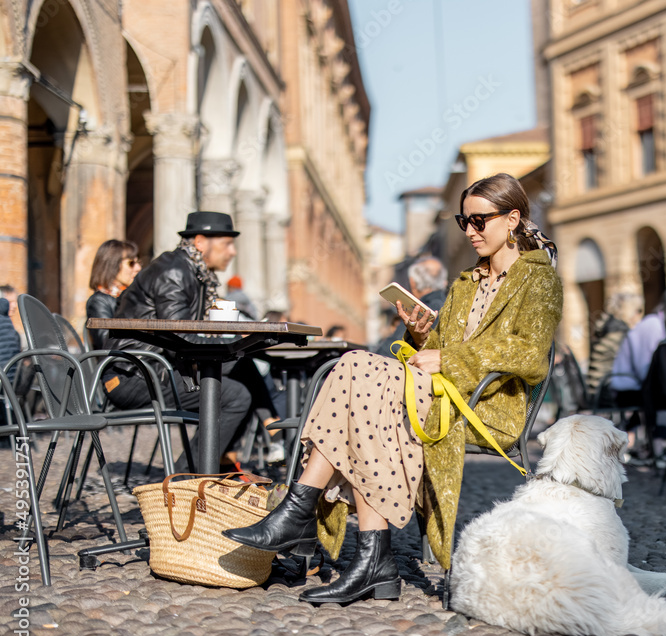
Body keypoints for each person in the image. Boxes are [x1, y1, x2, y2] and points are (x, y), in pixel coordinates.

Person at [224, 173, 562, 605]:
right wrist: (421, 337)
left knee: (361, 378)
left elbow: (530, 356)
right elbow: (435, 353)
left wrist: (451, 360)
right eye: (464, 221)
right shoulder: (464, 283)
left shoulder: (538, 280)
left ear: (513, 219)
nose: (470, 231)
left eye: (480, 220)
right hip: (437, 394)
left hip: (486, 406)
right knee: (354, 368)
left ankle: (304, 515)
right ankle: (362, 554)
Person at [104, 212, 276, 470]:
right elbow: (181, 334)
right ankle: (187, 476)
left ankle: (261, 436)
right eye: (226, 244)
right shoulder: (175, 271)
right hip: (134, 375)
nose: (233, 252)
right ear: (200, 242)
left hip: (159, 368)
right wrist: (231, 344)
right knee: (236, 396)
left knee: (244, 367)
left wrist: (237, 344)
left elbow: (186, 334)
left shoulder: (194, 272)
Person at [609, 287, 666, 462]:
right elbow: (645, 368)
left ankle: (663, 447)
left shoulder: (659, 325)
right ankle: (661, 448)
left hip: (637, 385)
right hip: (626, 388)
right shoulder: (653, 325)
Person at [373, 256, 448, 358]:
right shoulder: (447, 305)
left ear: (412, 282)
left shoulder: (420, 308)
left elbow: (391, 350)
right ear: (444, 283)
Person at [85, 240, 142, 349]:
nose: (138, 268)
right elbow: (105, 342)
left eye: (139, 262)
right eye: (131, 263)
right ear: (112, 265)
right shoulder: (98, 301)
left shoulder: (134, 296)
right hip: (121, 363)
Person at [585, 293, 642, 401]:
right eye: (638, 310)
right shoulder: (619, 334)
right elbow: (635, 363)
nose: (639, 315)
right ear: (629, 312)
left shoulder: (607, 328)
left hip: (595, 389)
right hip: (606, 391)